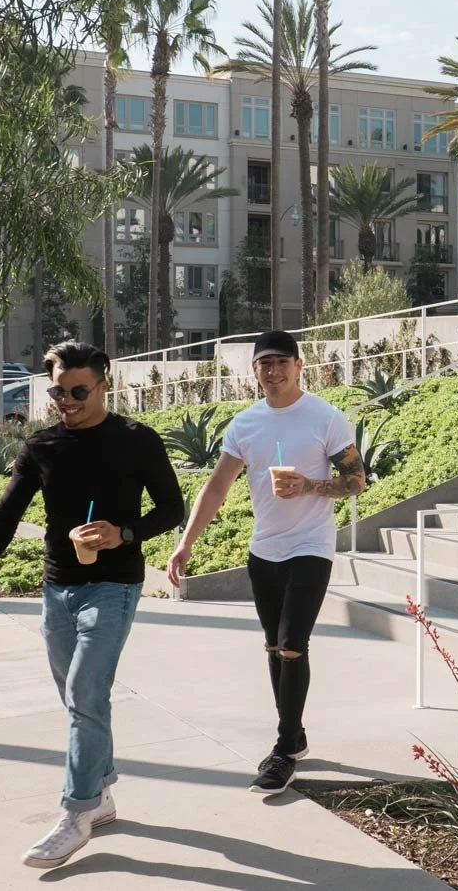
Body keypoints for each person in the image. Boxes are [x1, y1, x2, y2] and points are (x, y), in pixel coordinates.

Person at [0, 341, 184, 869]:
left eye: (79, 391)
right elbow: (6, 515)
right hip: (57, 586)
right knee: (81, 701)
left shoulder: (135, 440)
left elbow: (172, 508)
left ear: (104, 384)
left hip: (116, 585)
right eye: (58, 390)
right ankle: (100, 794)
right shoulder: (42, 446)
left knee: (84, 691)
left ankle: (75, 815)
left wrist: (123, 533)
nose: (67, 400)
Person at [166, 329, 365, 797]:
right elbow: (216, 487)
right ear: (253, 371)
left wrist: (311, 487)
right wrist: (187, 543)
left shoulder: (325, 418)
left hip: (311, 547)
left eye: (282, 362)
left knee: (293, 644)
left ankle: (282, 750)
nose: (273, 371)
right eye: (264, 364)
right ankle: (293, 731)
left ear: (299, 365)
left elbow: (356, 480)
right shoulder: (246, 425)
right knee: (274, 648)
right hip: (264, 550)